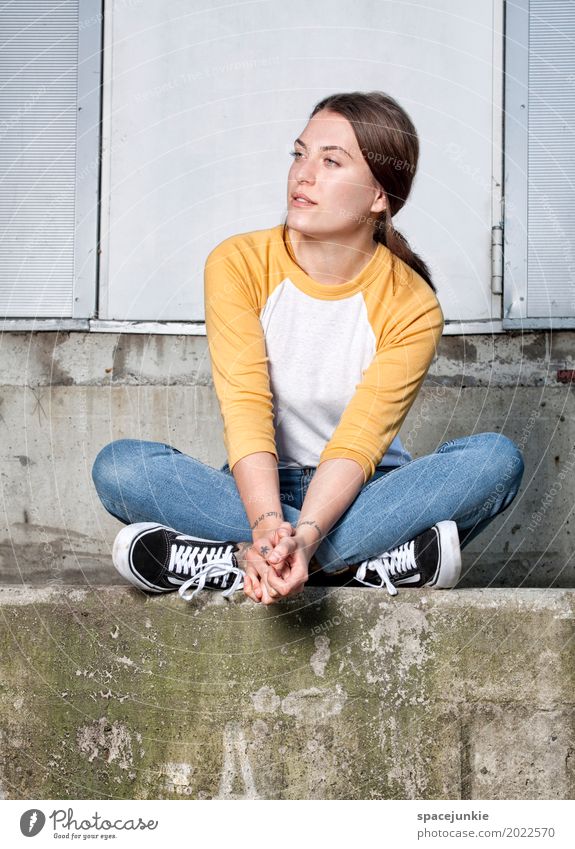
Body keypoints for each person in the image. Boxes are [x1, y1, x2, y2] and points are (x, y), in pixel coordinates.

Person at [91, 91, 525, 606]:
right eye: (299, 154)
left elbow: (358, 443)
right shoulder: (238, 262)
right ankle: (359, 565)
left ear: (379, 197)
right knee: (119, 469)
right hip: (254, 490)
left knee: (496, 460)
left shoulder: (412, 304)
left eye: (331, 161)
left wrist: (307, 534)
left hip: (370, 493)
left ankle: (232, 561)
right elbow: (246, 408)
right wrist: (270, 524)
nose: (304, 174)